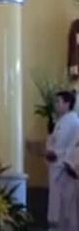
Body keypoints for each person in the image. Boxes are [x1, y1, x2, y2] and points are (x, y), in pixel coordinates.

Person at [46, 90, 79, 228]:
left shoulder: (73, 122)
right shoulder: (61, 121)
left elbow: (73, 147)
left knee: (68, 210)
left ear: (67, 103)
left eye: (58, 102)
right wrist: (49, 150)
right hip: (57, 168)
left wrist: (58, 156)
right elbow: (53, 141)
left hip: (65, 171)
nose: (56, 105)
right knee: (58, 209)